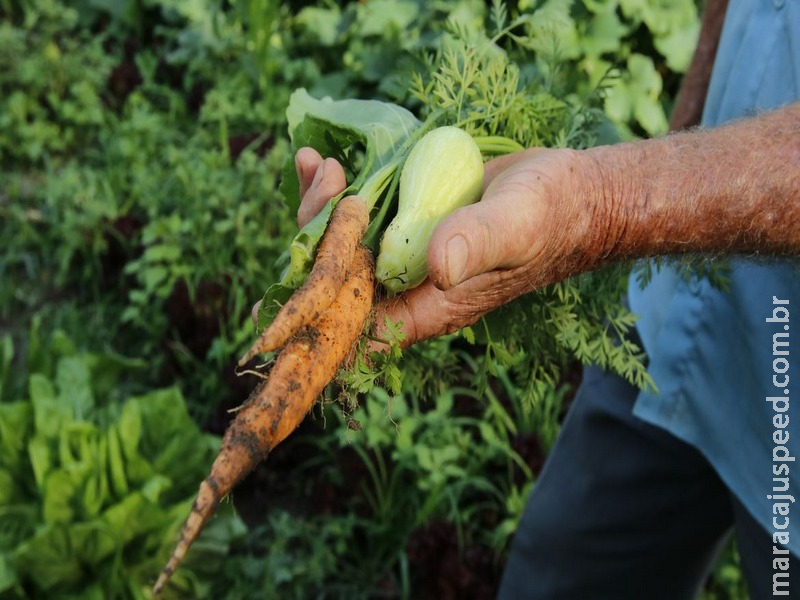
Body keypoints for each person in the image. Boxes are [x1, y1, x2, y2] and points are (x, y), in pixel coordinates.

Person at [289, 0, 800, 596]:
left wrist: (607, 206)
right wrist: (678, 142)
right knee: (562, 569)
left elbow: (605, 202)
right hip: (667, 321)